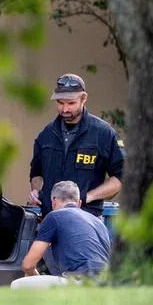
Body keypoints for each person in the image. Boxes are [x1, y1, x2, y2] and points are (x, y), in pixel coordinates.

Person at [28, 73, 124, 220]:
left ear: (83, 98)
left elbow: (120, 178)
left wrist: (88, 197)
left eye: (71, 103)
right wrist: (36, 191)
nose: (65, 109)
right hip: (50, 219)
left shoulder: (103, 134)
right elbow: (36, 173)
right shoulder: (46, 134)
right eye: (60, 103)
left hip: (87, 219)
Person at [12, 181, 111, 288]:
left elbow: (28, 265)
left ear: (53, 201)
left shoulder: (54, 216)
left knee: (18, 285)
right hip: (106, 285)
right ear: (79, 203)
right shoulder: (98, 223)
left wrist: (35, 276)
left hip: (81, 283)